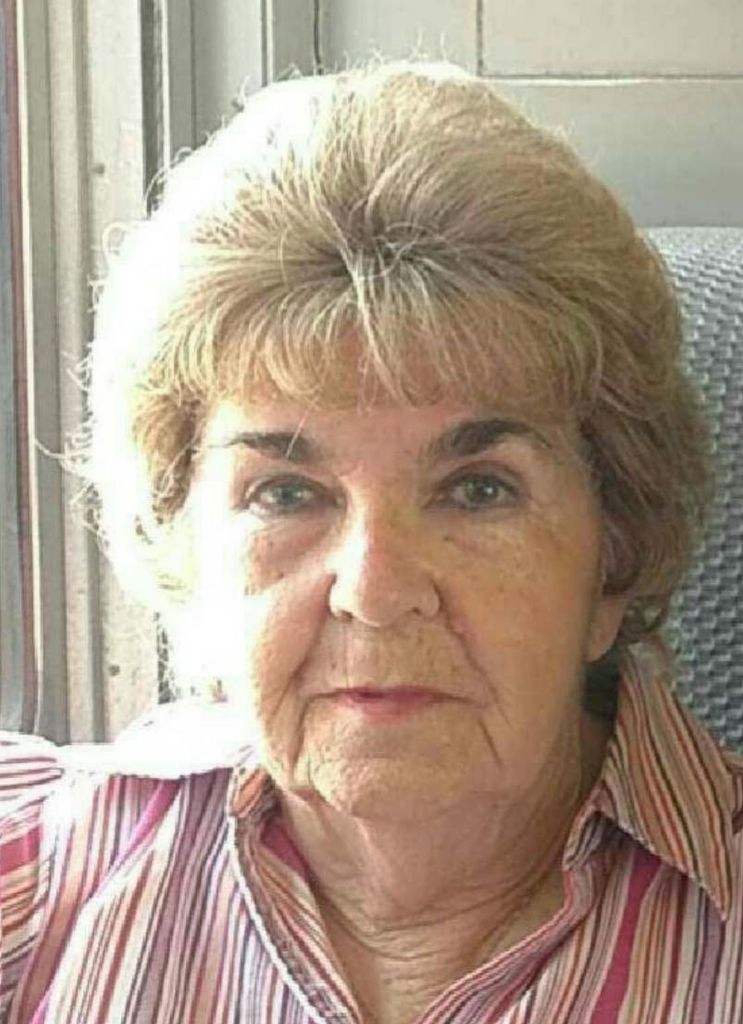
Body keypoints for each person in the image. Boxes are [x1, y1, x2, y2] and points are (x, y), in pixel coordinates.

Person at [0, 60, 740, 1024]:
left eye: (478, 490)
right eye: (286, 494)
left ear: (614, 554)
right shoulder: (33, 874)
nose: (376, 589)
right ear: (182, 553)